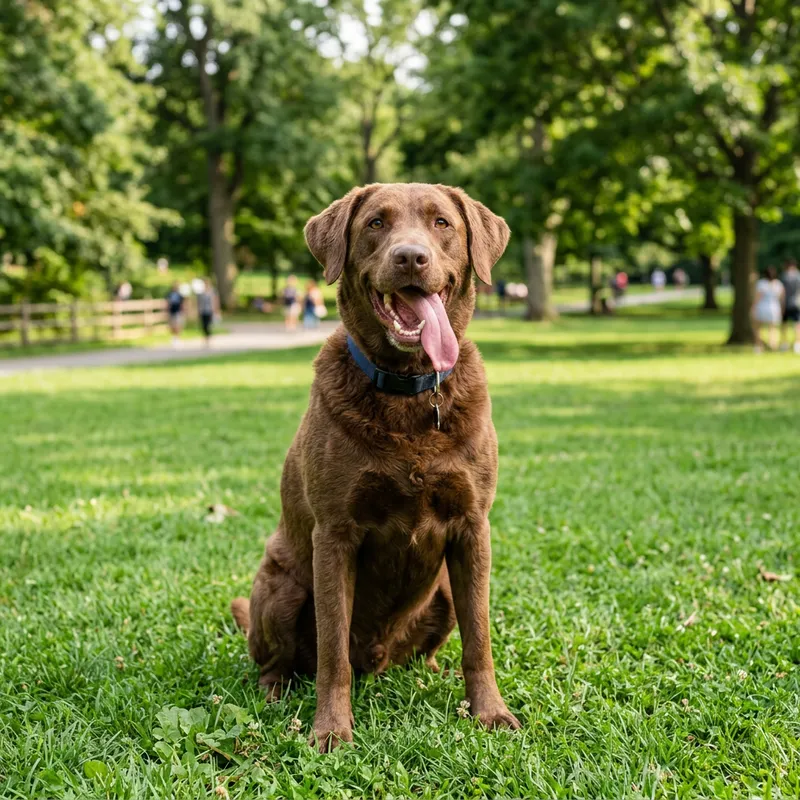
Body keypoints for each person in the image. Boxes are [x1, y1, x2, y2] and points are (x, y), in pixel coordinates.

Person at [753, 266, 784, 352]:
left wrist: (753, 307)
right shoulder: (778, 284)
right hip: (774, 308)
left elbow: (757, 297)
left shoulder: (761, 284)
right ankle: (773, 345)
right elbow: (781, 298)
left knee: (758, 328)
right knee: (773, 328)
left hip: (762, 307)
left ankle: (759, 346)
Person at [779, 258, 800, 353]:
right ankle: (797, 343)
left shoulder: (784, 276)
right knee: (797, 324)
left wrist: (781, 305)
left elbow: (782, 292)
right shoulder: (798, 276)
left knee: (784, 325)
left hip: (786, 303)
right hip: (796, 303)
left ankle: (784, 343)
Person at [197, 278, 219, 347]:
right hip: (203, 310)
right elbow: (199, 302)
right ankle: (206, 338)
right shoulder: (201, 292)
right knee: (203, 325)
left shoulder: (212, 291)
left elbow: (215, 300)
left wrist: (216, 310)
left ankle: (208, 339)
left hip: (209, 311)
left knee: (208, 325)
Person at [166, 282, 184, 346]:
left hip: (178, 312)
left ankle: (178, 338)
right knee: (172, 325)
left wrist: (183, 311)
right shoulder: (169, 294)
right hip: (172, 312)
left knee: (178, 325)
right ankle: (174, 337)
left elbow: (182, 304)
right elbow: (167, 303)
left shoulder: (180, 295)